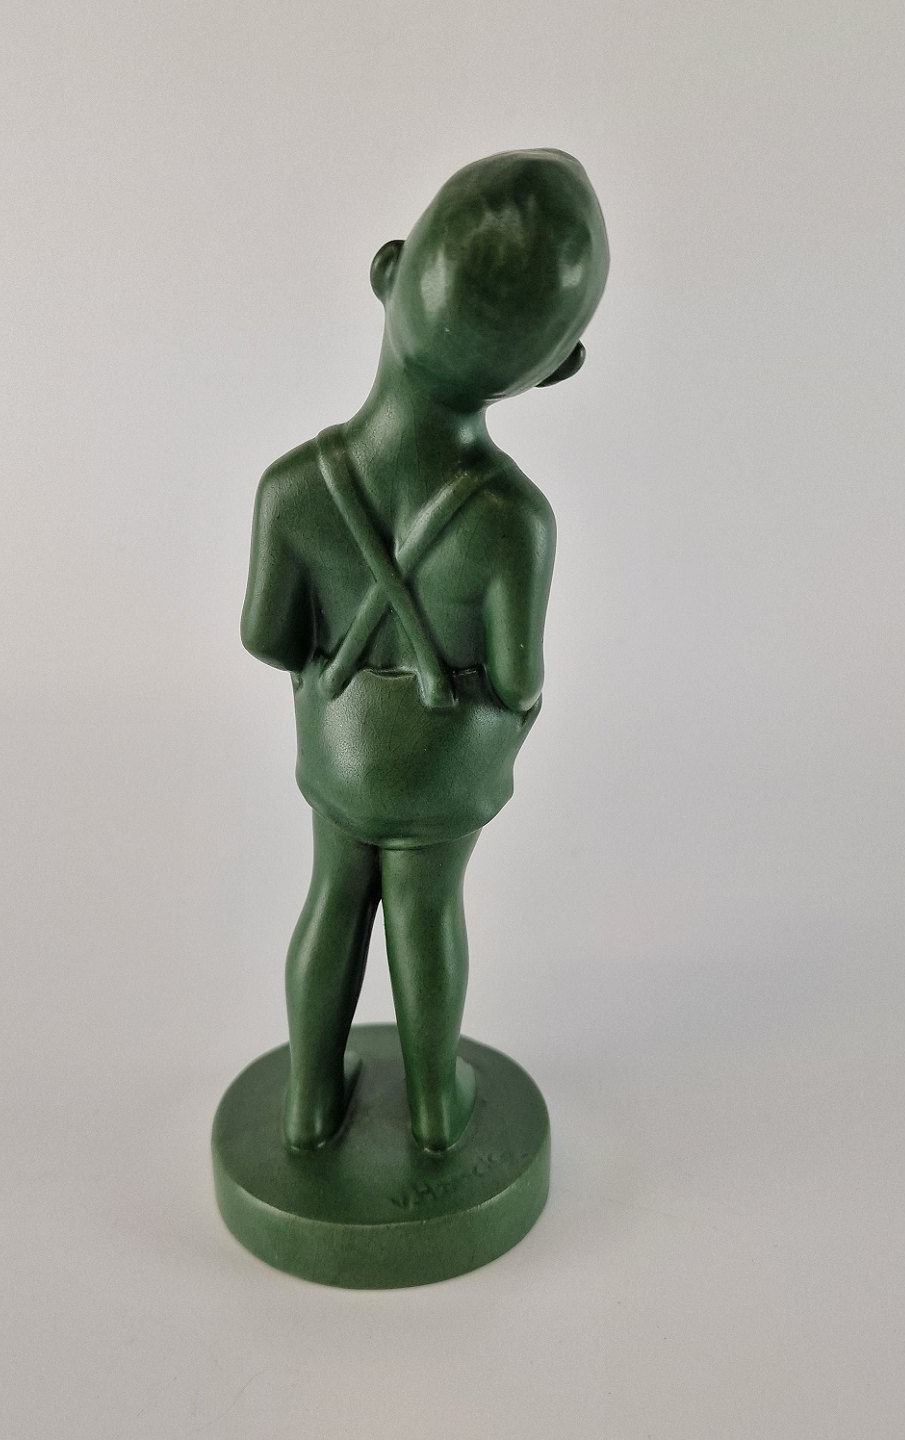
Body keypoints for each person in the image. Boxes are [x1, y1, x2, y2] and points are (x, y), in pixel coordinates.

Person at [241, 149, 609, 1152]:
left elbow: (268, 640)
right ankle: (439, 1108)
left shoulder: (291, 488)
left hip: (338, 749)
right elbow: (518, 679)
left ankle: (310, 1103)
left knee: (332, 900)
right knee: (426, 914)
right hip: (443, 768)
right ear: (553, 373)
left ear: (389, 269)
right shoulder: (515, 522)